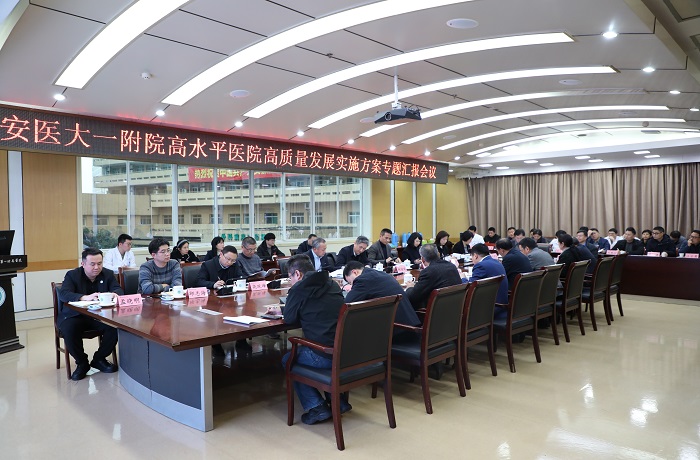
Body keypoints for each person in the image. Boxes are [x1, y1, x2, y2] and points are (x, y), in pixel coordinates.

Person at [280, 255, 346, 425]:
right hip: (346, 349)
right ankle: (339, 401)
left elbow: (289, 319)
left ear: (298, 274)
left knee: (288, 360)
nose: (290, 281)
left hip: (325, 354)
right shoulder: (331, 283)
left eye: (290, 277)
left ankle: (316, 407)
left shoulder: (299, 289)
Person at [58, 248, 122, 380]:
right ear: (83, 264)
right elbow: (64, 294)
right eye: (92, 264)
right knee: (69, 329)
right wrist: (83, 297)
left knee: (116, 327)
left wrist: (115, 294)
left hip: (99, 316)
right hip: (75, 315)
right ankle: (82, 363)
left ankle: (99, 359)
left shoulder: (107, 274)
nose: (96, 267)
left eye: (99, 263)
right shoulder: (72, 275)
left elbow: (118, 289)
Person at [343, 261, 420, 328]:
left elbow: (347, 304)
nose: (352, 285)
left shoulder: (363, 280)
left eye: (350, 282)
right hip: (411, 324)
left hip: (397, 329)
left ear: (355, 272)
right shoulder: (382, 274)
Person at [405, 244, 462, 310]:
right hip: (456, 309)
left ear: (422, 259)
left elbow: (413, 297)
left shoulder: (428, 272)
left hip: (437, 312)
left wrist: (410, 287)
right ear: (438, 254)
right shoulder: (452, 266)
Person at [466, 244, 508, 319]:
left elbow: (470, 286)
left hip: (490, 309)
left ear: (475, 256)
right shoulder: (497, 262)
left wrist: (463, 278)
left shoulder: (481, 266)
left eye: (471, 257)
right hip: (502, 305)